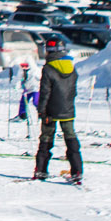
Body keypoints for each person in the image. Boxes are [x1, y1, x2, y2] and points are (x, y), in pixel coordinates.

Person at [32, 50, 84, 184]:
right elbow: (73, 91)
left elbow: (45, 92)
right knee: (71, 137)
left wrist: (42, 111)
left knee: (46, 139)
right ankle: (77, 171)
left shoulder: (48, 68)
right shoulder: (71, 67)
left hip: (50, 111)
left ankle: (41, 170)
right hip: (68, 109)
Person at [11, 59, 40, 123]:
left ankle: (41, 114)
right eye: (22, 65)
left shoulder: (35, 71)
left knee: (36, 101)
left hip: (35, 89)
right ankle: (22, 115)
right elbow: (18, 79)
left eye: (25, 65)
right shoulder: (21, 71)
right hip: (27, 89)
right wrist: (16, 86)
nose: (24, 67)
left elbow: (40, 77)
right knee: (23, 101)